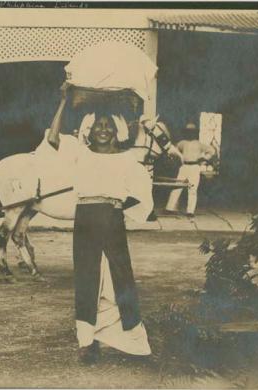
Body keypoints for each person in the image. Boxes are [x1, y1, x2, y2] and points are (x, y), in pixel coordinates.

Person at [44, 87, 153, 364]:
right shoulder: (80, 153)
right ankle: (87, 343)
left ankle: (134, 341)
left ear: (117, 131)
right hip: (86, 219)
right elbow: (53, 138)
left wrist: (116, 207)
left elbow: (142, 193)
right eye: (97, 126)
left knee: (120, 277)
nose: (103, 130)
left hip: (111, 219)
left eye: (108, 126)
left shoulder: (127, 159)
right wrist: (63, 100)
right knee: (87, 277)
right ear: (89, 131)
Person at [165, 122, 217, 218]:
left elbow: (212, 150)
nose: (190, 134)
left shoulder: (199, 144)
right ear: (185, 133)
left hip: (194, 167)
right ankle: (170, 208)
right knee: (177, 187)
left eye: (192, 132)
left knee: (192, 189)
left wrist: (204, 158)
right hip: (184, 167)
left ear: (195, 133)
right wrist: (176, 156)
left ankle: (190, 211)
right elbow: (174, 150)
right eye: (188, 132)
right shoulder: (182, 143)